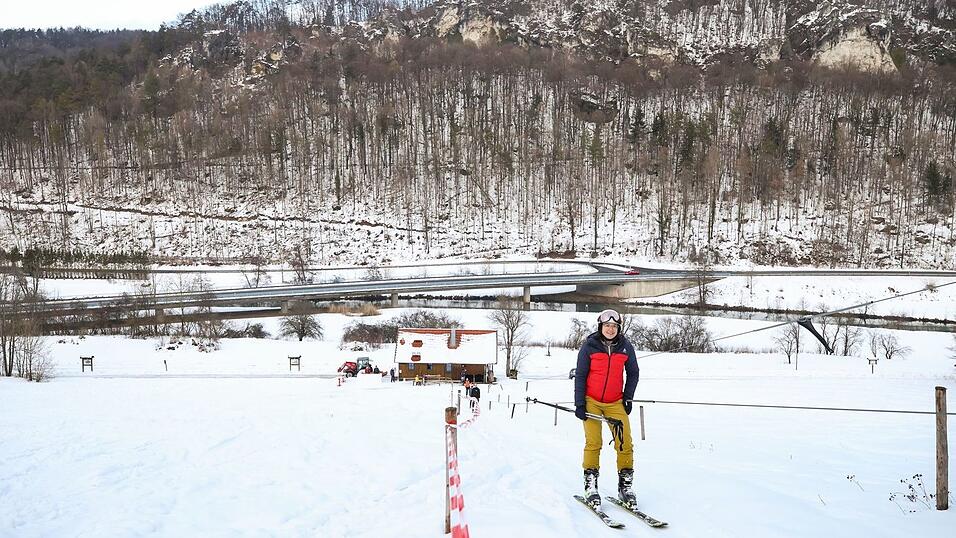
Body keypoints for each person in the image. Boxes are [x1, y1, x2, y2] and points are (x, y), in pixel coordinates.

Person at [574, 308, 639, 509]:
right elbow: (581, 375)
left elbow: (634, 373)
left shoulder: (626, 347)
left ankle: (625, 487)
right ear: (600, 326)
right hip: (591, 400)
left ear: (618, 328)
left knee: (624, 443)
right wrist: (579, 403)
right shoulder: (589, 346)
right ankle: (591, 486)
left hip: (615, 402)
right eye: (607, 325)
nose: (610, 329)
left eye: (614, 326)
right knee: (594, 442)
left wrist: (628, 398)